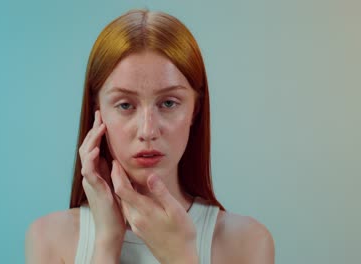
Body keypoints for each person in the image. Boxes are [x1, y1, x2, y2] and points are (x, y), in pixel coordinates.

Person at [25, 9, 274, 264]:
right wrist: (107, 241)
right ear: (98, 112)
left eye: (168, 103)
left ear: (195, 111)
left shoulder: (246, 242)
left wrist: (181, 256)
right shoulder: (49, 238)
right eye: (125, 105)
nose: (147, 131)